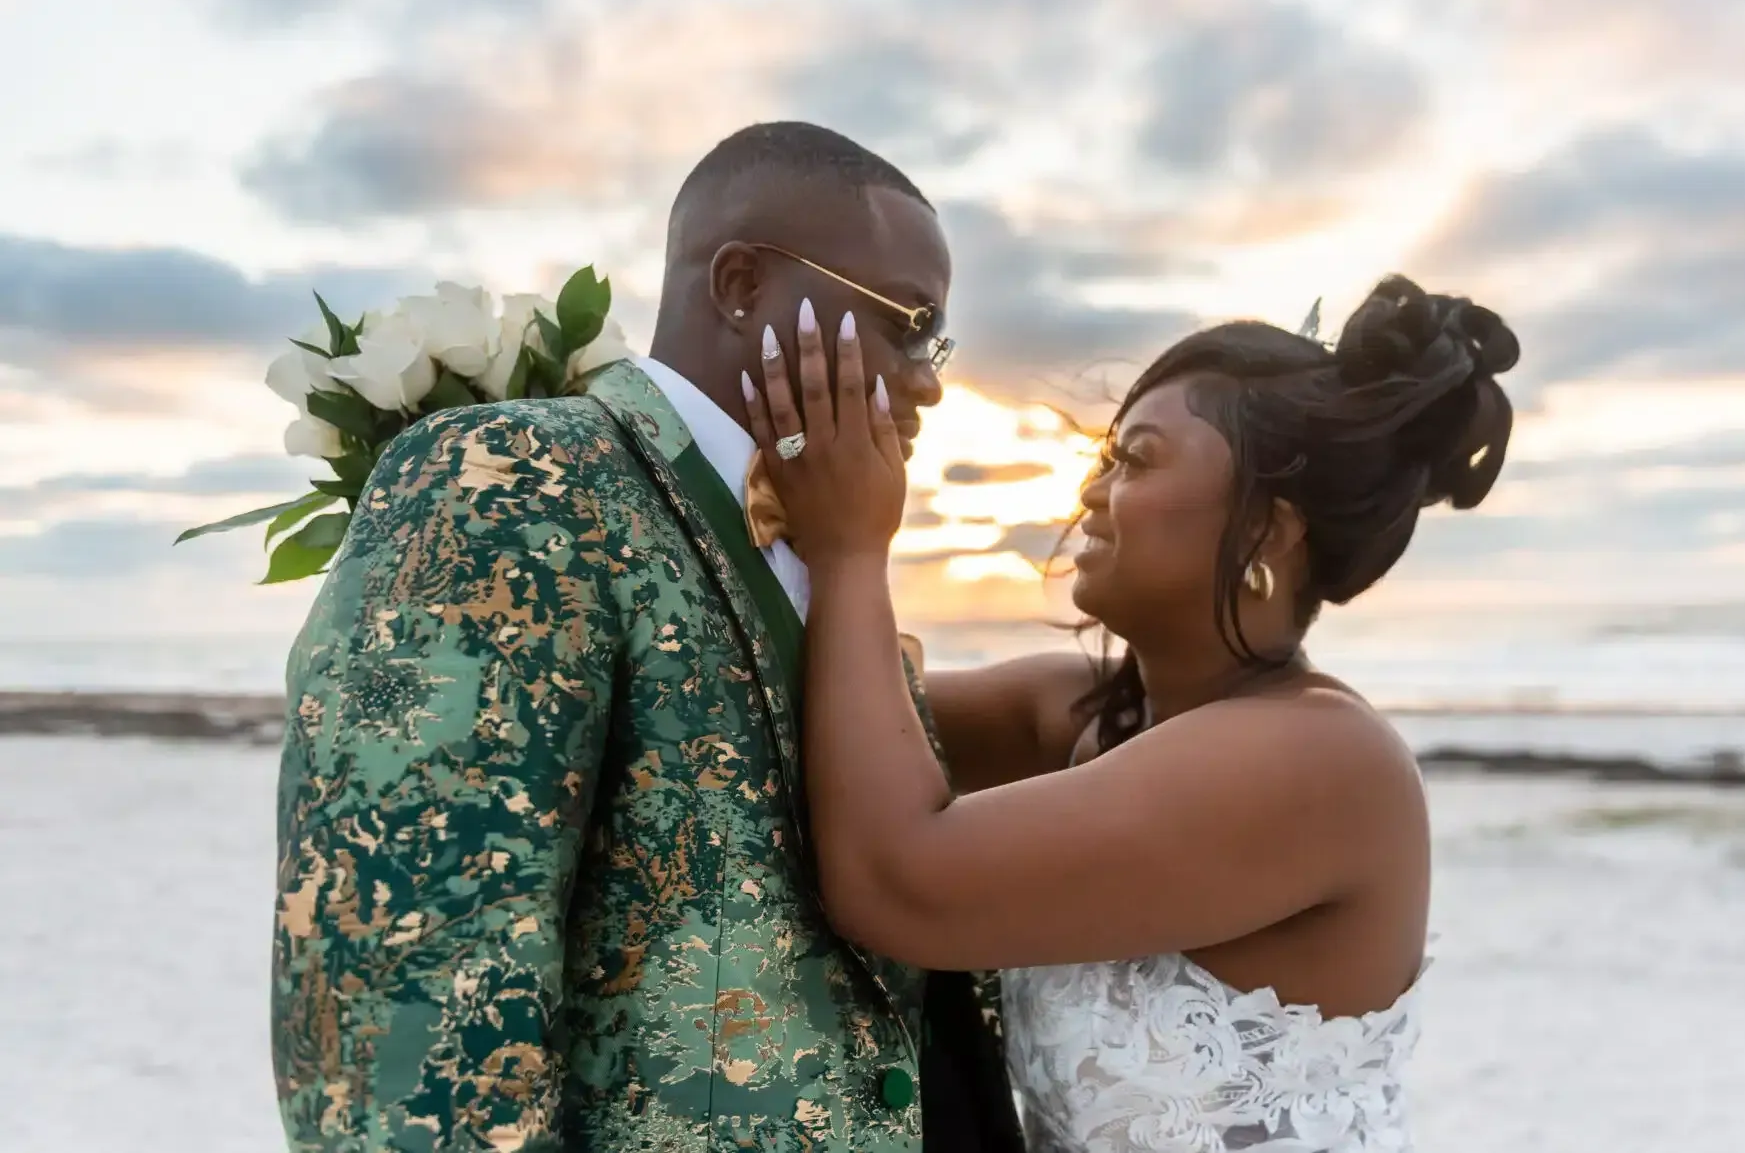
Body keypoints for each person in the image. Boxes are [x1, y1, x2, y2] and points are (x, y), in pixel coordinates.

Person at [270, 122, 1023, 1152]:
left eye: (936, 342)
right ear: (742, 282)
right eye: (906, 322)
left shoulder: (839, 556)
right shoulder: (505, 478)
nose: (928, 377)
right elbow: (403, 982)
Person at [743, 276, 1521, 1152]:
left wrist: (850, 547)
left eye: (1137, 460)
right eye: (1105, 456)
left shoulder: (1327, 761)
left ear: (1268, 530)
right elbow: (782, 707)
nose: (1091, 494)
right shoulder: (1089, 717)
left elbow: (895, 882)